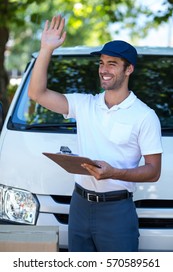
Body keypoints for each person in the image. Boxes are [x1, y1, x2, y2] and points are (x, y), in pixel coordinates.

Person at [28, 15, 163, 252]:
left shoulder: (145, 115)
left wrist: (114, 173)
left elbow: (153, 171)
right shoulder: (85, 104)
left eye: (112, 64)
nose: (104, 70)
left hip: (117, 211)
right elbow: (37, 94)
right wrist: (46, 48)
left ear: (128, 69)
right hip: (79, 205)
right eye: (101, 63)